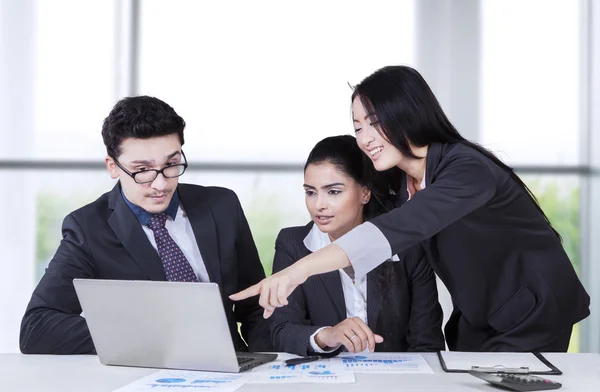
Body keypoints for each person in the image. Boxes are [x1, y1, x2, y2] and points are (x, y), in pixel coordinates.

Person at [232, 66, 591, 352]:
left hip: (532, 313)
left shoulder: (467, 169)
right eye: (358, 127)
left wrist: (297, 272)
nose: (365, 139)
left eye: (375, 122)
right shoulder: (401, 185)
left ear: (408, 113)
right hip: (478, 318)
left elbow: (392, 232)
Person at [20, 96, 271, 354]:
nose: (161, 184)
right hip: (146, 373)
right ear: (113, 167)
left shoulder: (222, 206)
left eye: (171, 164)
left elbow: (255, 306)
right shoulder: (87, 229)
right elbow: (36, 327)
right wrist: (144, 334)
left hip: (232, 368)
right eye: (142, 170)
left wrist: (263, 365)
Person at [270, 135, 444, 355]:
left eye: (333, 191)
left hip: (396, 383)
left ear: (364, 192)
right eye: (310, 192)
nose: (319, 205)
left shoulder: (407, 246)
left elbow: (427, 342)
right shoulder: (293, 244)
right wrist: (327, 335)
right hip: (324, 384)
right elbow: (281, 331)